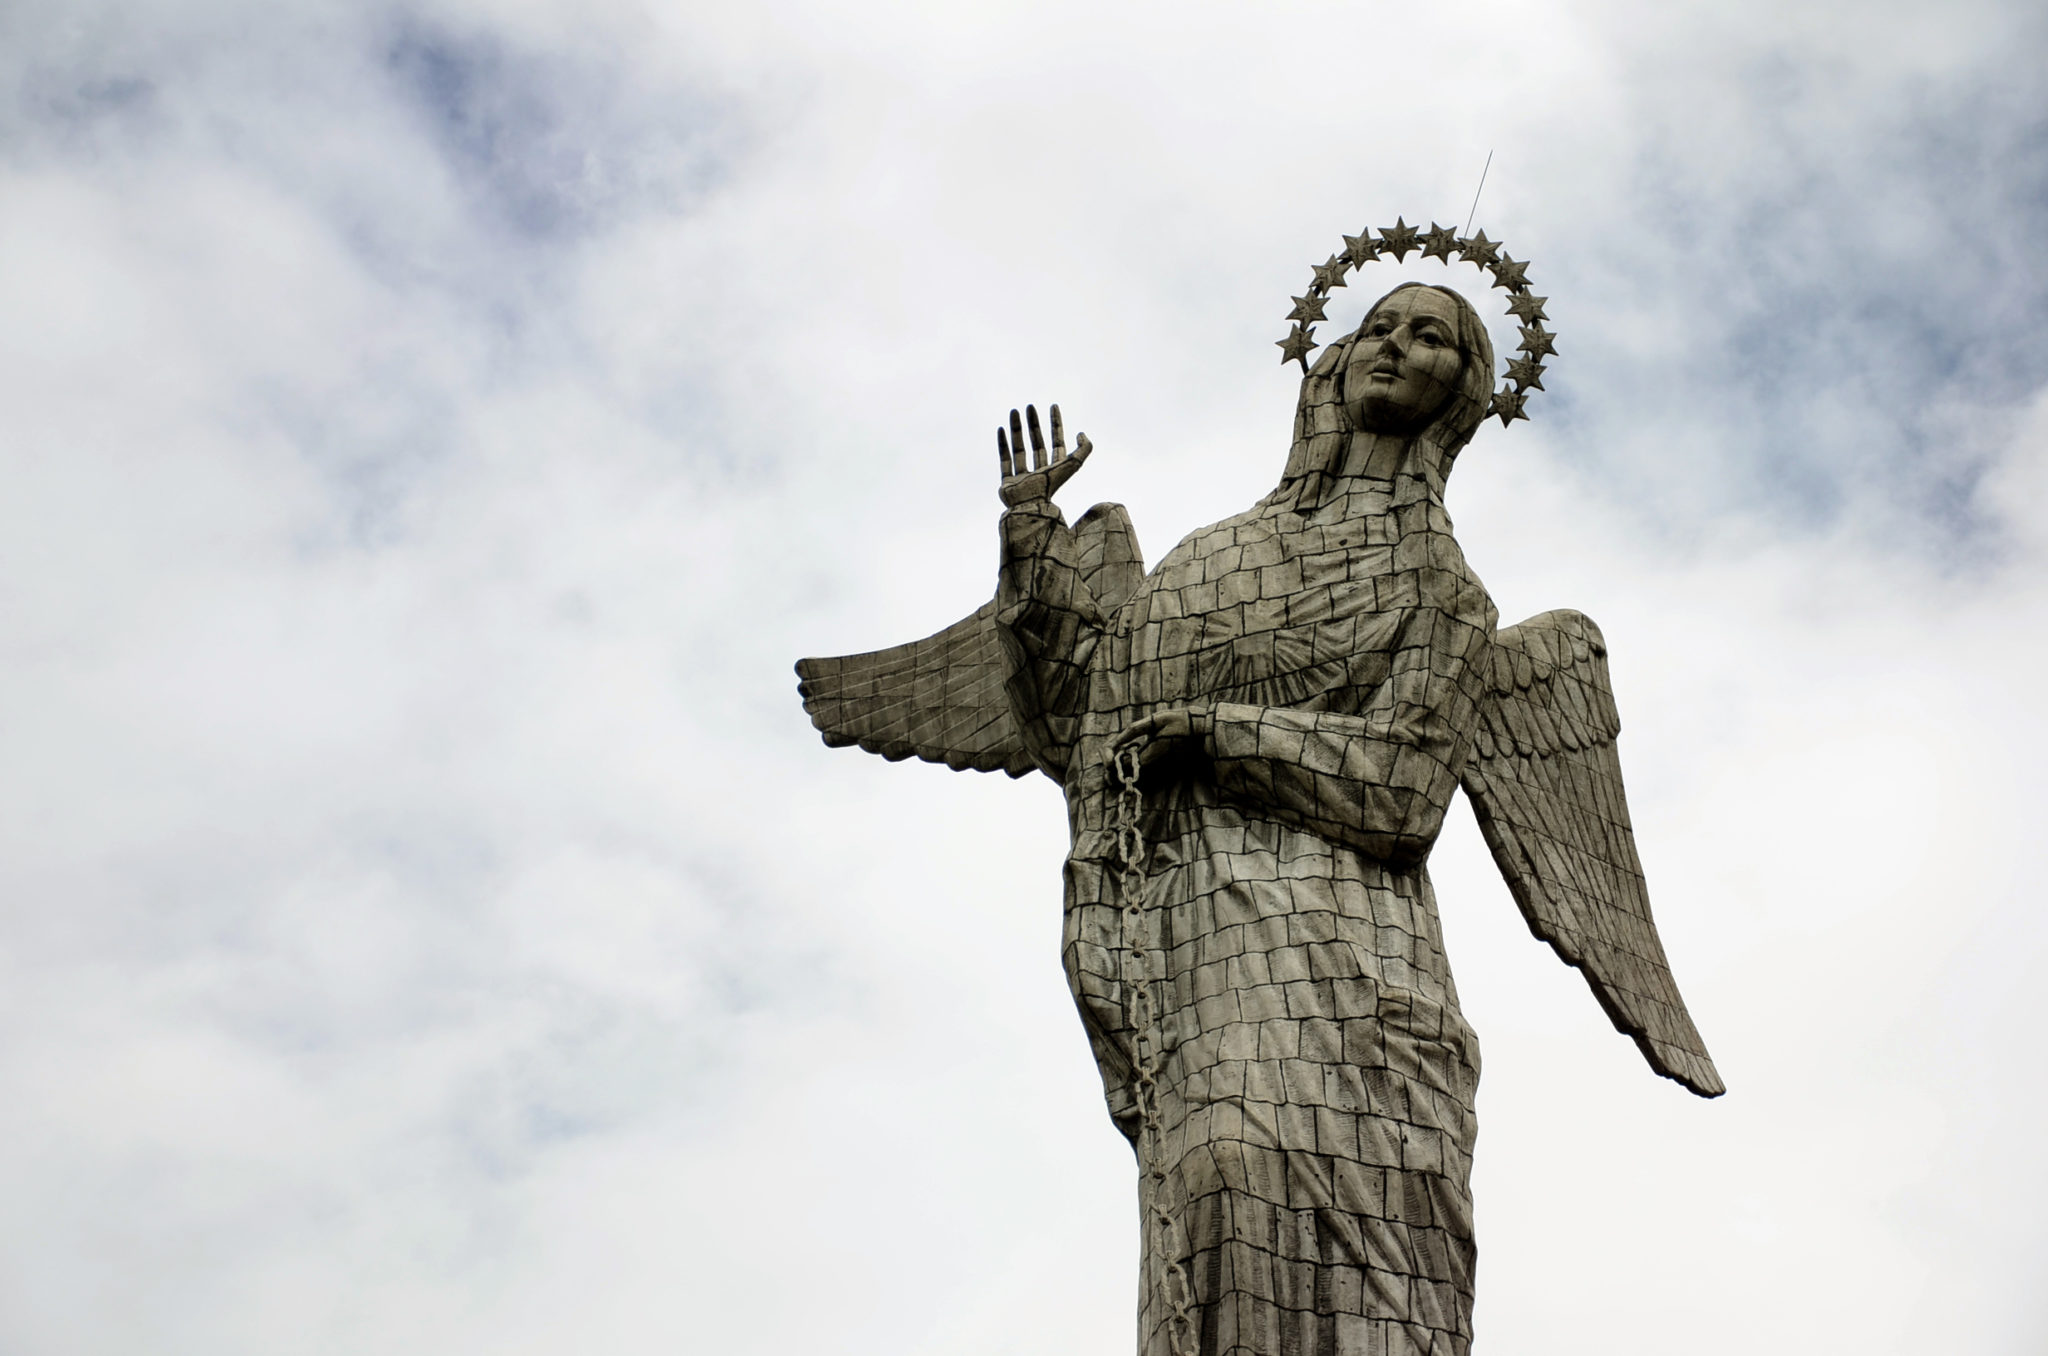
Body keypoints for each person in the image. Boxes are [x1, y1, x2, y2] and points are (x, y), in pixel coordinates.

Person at [993, 282, 1501, 1356]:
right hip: (1201, 916)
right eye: (1377, 326)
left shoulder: (1442, 591)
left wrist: (1219, 735)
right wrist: (1034, 552)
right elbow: (1088, 723)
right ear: (1336, 359)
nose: (1394, 346)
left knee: (1385, 1229)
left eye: (1428, 337)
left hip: (1351, 945)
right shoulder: (1214, 555)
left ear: (1462, 390)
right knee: (1220, 1166)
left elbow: (1406, 790)